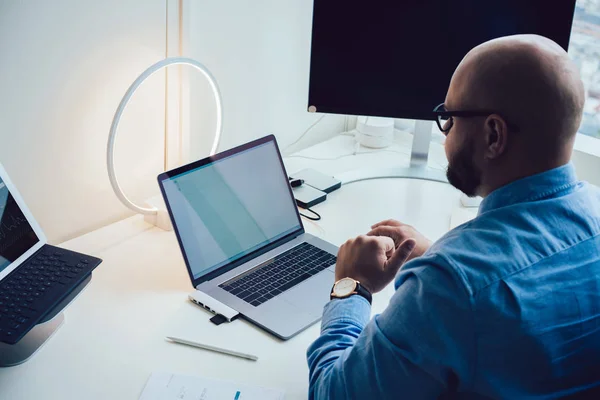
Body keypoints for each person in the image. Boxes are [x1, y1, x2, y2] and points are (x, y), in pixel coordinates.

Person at [307, 34, 600, 399]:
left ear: (494, 135)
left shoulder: (450, 289)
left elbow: (331, 394)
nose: (445, 134)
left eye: (448, 118)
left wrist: (351, 286)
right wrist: (441, 255)